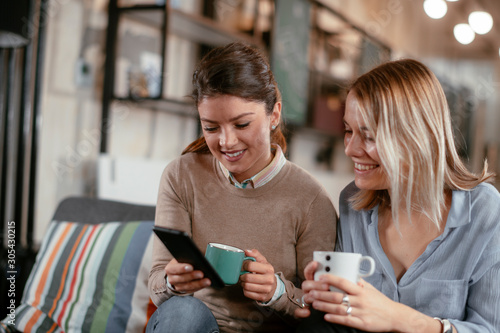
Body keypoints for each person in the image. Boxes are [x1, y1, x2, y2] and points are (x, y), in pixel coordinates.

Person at [295, 59, 500, 333]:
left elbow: (490, 327)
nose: (350, 149)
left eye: (368, 136)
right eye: (348, 131)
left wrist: (398, 318)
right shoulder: (353, 202)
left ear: (416, 137)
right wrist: (325, 296)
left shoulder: (485, 210)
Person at [147, 42, 337, 333]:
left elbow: (321, 312)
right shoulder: (181, 175)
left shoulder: (311, 200)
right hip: (193, 325)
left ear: (274, 115)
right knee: (183, 312)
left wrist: (276, 292)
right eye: (211, 127)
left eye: (242, 124)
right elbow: (157, 286)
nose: (226, 142)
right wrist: (173, 282)